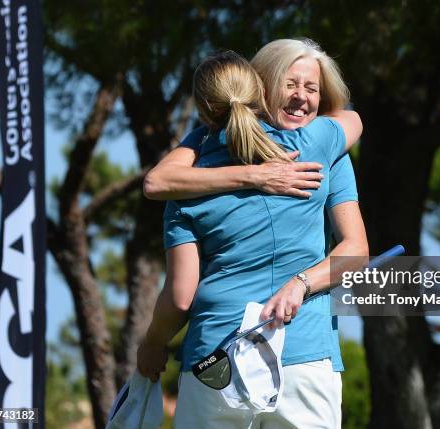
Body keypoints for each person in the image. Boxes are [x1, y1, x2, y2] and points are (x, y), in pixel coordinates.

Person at [139, 41, 367, 428]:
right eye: (291, 85)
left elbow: (180, 297)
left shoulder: (187, 189)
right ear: (261, 88)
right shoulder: (318, 148)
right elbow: (353, 119)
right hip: (305, 356)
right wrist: (302, 284)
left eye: (311, 88)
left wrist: (153, 342)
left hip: (214, 361)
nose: (301, 98)